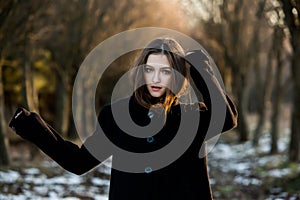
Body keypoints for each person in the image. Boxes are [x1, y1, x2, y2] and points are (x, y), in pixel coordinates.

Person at [9, 37, 237, 200]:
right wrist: (31, 125)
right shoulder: (116, 116)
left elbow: (227, 118)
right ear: (141, 71)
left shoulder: (192, 116)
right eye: (150, 69)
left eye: (166, 71)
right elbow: (78, 162)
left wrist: (201, 68)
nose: (156, 78)